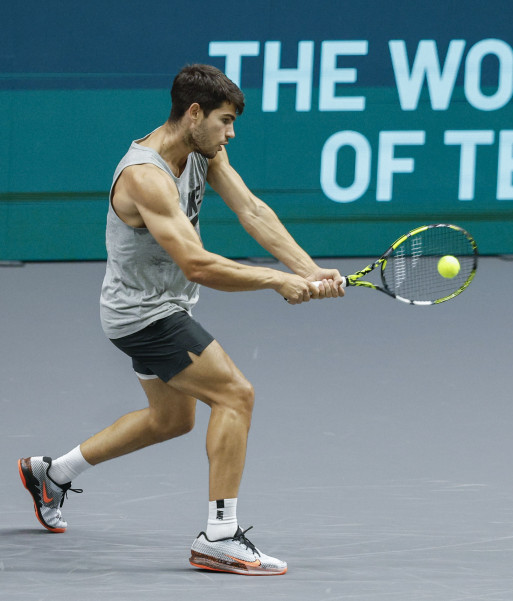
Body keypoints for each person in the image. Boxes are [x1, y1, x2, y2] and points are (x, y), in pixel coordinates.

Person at [17, 64, 343, 576]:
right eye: (225, 120)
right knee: (235, 394)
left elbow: (251, 210)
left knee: (172, 420)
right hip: (144, 315)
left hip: (164, 304)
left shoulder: (204, 150)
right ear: (194, 114)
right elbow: (197, 263)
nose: (230, 132)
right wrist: (277, 281)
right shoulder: (145, 177)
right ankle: (219, 537)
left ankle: (51, 474)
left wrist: (307, 269)